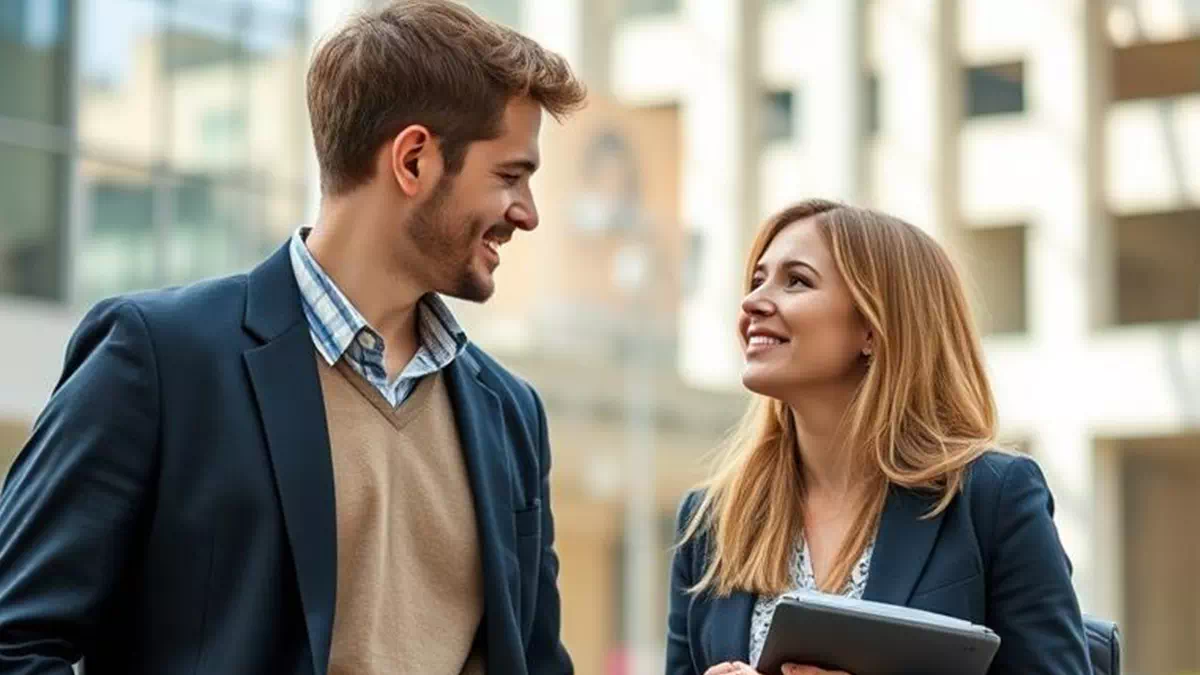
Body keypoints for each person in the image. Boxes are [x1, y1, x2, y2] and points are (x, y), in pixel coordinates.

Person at [0, 2, 586, 674]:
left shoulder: (510, 416)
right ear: (415, 159)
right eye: (511, 175)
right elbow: (15, 641)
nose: (528, 213)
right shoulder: (158, 360)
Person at [665, 199, 1091, 675]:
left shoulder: (992, 499)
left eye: (797, 281)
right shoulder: (709, 525)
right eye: (757, 280)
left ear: (872, 326)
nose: (753, 302)